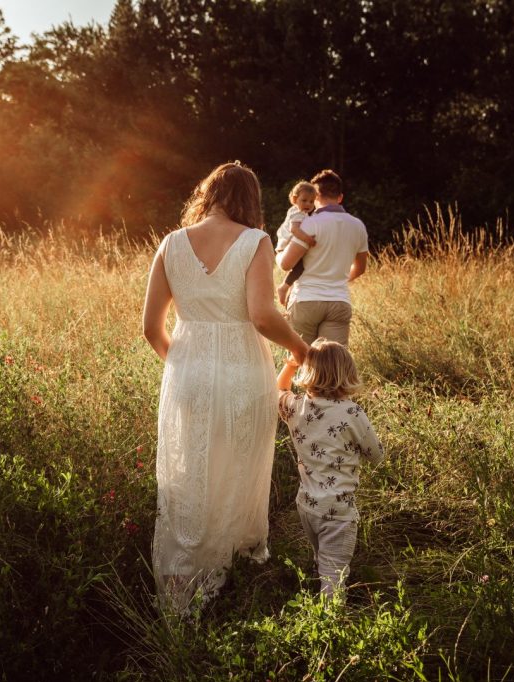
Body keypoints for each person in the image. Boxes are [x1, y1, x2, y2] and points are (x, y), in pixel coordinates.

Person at [142, 161, 310, 612]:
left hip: (187, 370)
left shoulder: (171, 243)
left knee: (189, 471)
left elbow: (150, 327)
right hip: (242, 368)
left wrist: (185, 364)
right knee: (236, 467)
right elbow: (261, 315)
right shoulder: (256, 241)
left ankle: (183, 578)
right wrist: (302, 350)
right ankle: (228, 571)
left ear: (206, 194)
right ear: (249, 199)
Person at [276, 339, 384, 597]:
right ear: (347, 374)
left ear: (308, 371)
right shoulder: (351, 412)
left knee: (322, 560)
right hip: (338, 512)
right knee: (334, 579)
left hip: (307, 506)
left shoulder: (297, 407)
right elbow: (377, 455)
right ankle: (330, 628)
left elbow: (278, 389)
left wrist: (291, 366)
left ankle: (320, 593)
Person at [276, 169, 369, 346]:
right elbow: (360, 268)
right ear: (340, 197)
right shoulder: (358, 226)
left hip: (306, 300)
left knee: (303, 362)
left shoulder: (309, 224)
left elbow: (286, 264)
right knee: (333, 364)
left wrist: (279, 253)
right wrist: (335, 281)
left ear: (316, 195)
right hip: (339, 301)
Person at [275, 180, 318, 308]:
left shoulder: (302, 212)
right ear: (295, 199)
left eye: (311, 201)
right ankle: (283, 287)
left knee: (300, 274)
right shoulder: (297, 213)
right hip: (285, 246)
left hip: (288, 245)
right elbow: (294, 230)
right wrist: (307, 239)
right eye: (304, 200)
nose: (308, 204)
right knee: (300, 269)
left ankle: (289, 296)